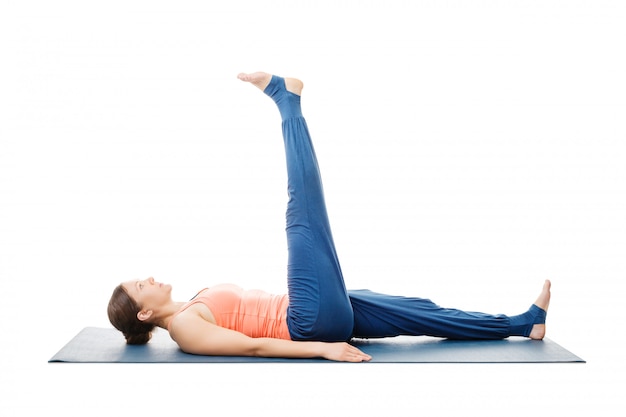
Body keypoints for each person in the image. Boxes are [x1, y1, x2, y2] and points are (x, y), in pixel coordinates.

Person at [107, 72, 551, 362]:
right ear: (144, 314)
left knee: (420, 312)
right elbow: (255, 346)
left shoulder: (191, 303)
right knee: (302, 216)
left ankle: (521, 324)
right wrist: (324, 350)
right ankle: (287, 100)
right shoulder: (184, 328)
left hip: (317, 308)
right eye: (142, 285)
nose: (150, 278)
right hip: (309, 320)